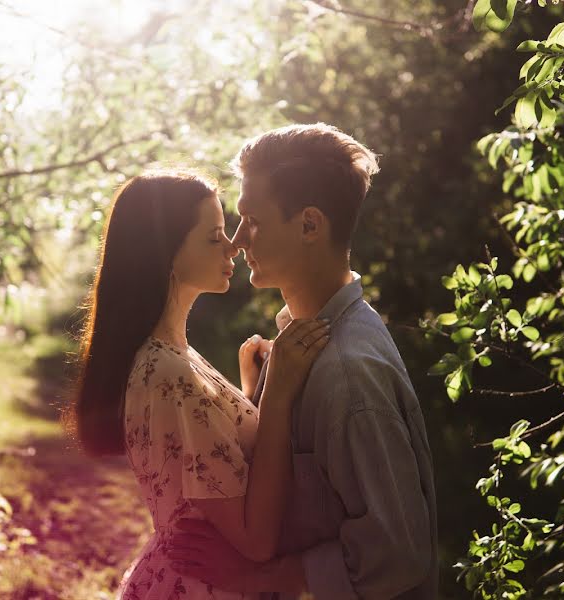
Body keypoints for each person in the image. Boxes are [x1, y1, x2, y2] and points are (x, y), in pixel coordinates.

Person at [166, 124, 439, 599]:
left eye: (252, 220)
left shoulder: (350, 373)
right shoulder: (300, 341)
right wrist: (256, 400)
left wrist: (258, 580)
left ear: (310, 225)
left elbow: (397, 552)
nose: (237, 240)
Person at [65, 170, 330, 599]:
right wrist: (277, 395)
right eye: (214, 237)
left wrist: (248, 395)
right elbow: (255, 540)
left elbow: (211, 461)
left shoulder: (171, 353)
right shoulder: (169, 374)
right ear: (165, 253)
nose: (233, 246)